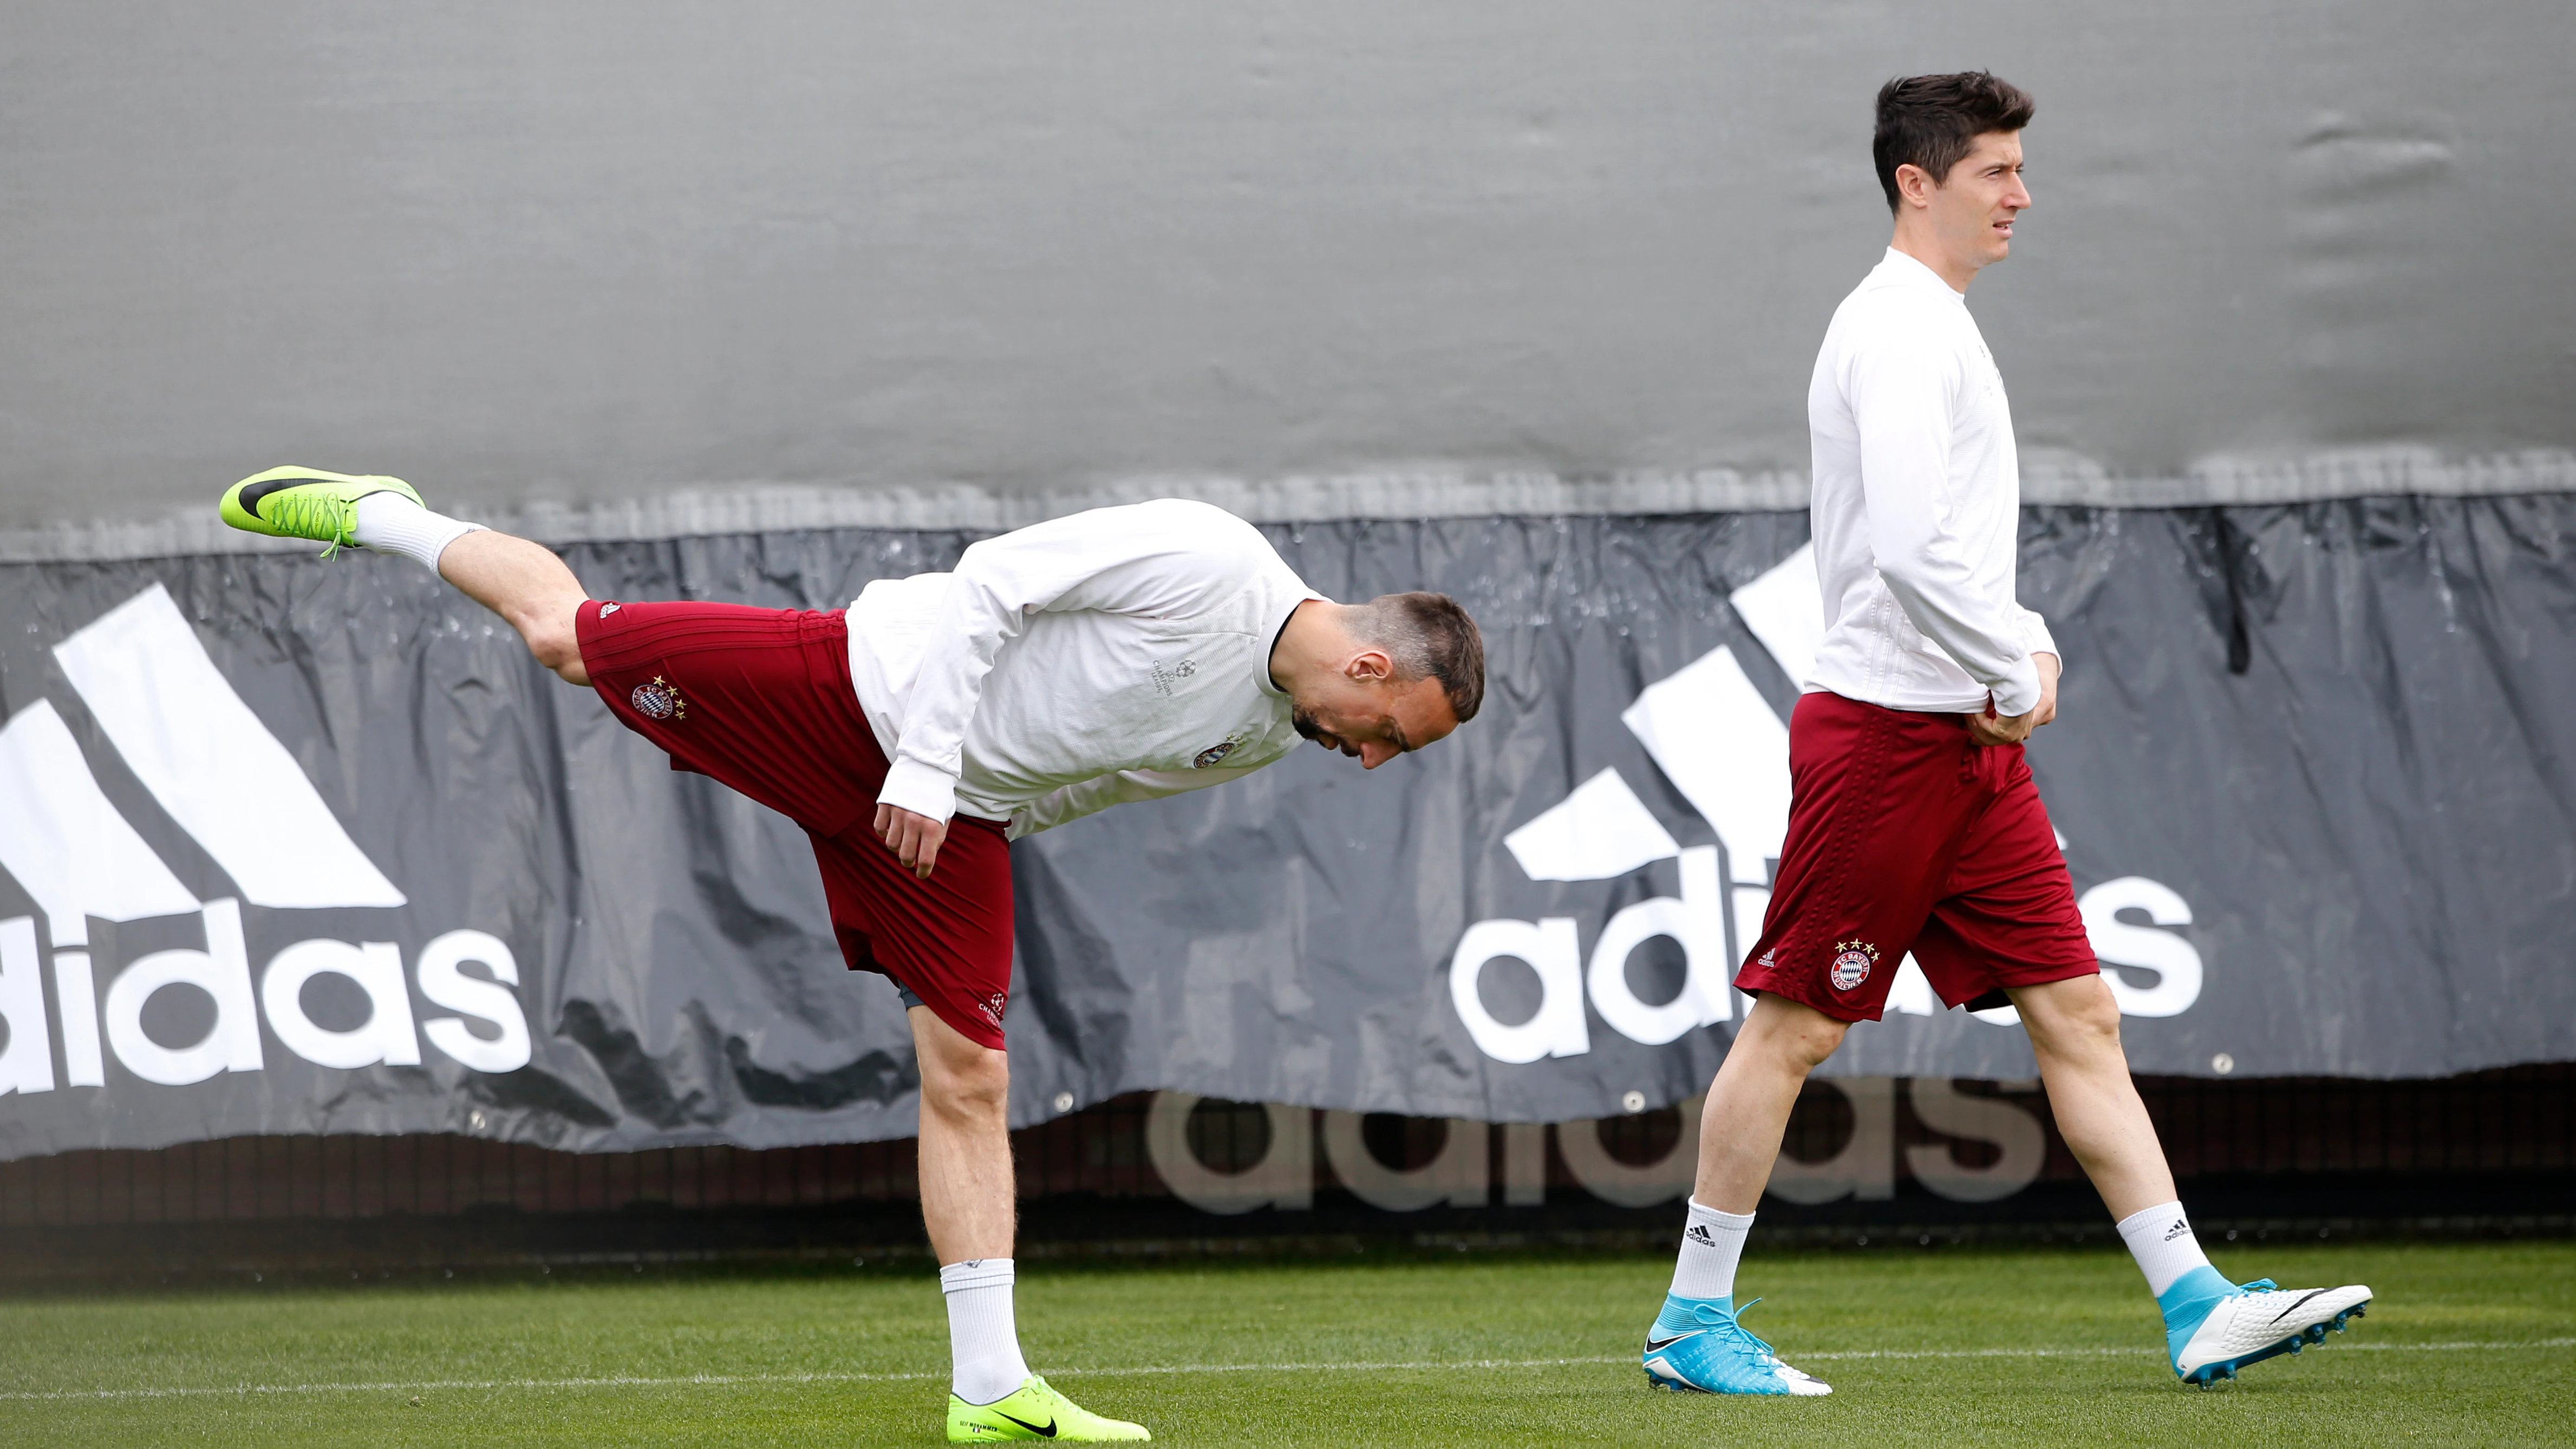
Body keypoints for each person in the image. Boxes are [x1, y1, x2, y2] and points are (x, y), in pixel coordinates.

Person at [219, 469, 1483, 1441]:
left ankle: (989, 1387)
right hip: (851, 691)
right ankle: (385, 514)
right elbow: (993, 581)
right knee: (560, 637)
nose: (1367, 759)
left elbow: (1090, 780)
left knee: (974, 1075)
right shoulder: (1212, 558)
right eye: (1386, 733)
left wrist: (970, 814)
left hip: (950, 820)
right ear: (1371, 664)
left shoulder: (1264, 734)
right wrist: (928, 767)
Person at [1638, 72, 2370, 1398]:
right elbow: (1914, 553)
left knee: (2079, 1013)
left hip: (1968, 752)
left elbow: (1954, 543)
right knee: (1793, 1030)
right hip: (1884, 744)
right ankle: (1692, 1322)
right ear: (1915, 183)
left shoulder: (1938, 324)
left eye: (2020, 169)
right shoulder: (1898, 330)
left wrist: (2019, 646)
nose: (2022, 195)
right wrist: (2011, 666)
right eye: (1993, 171)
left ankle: (2194, 1299)